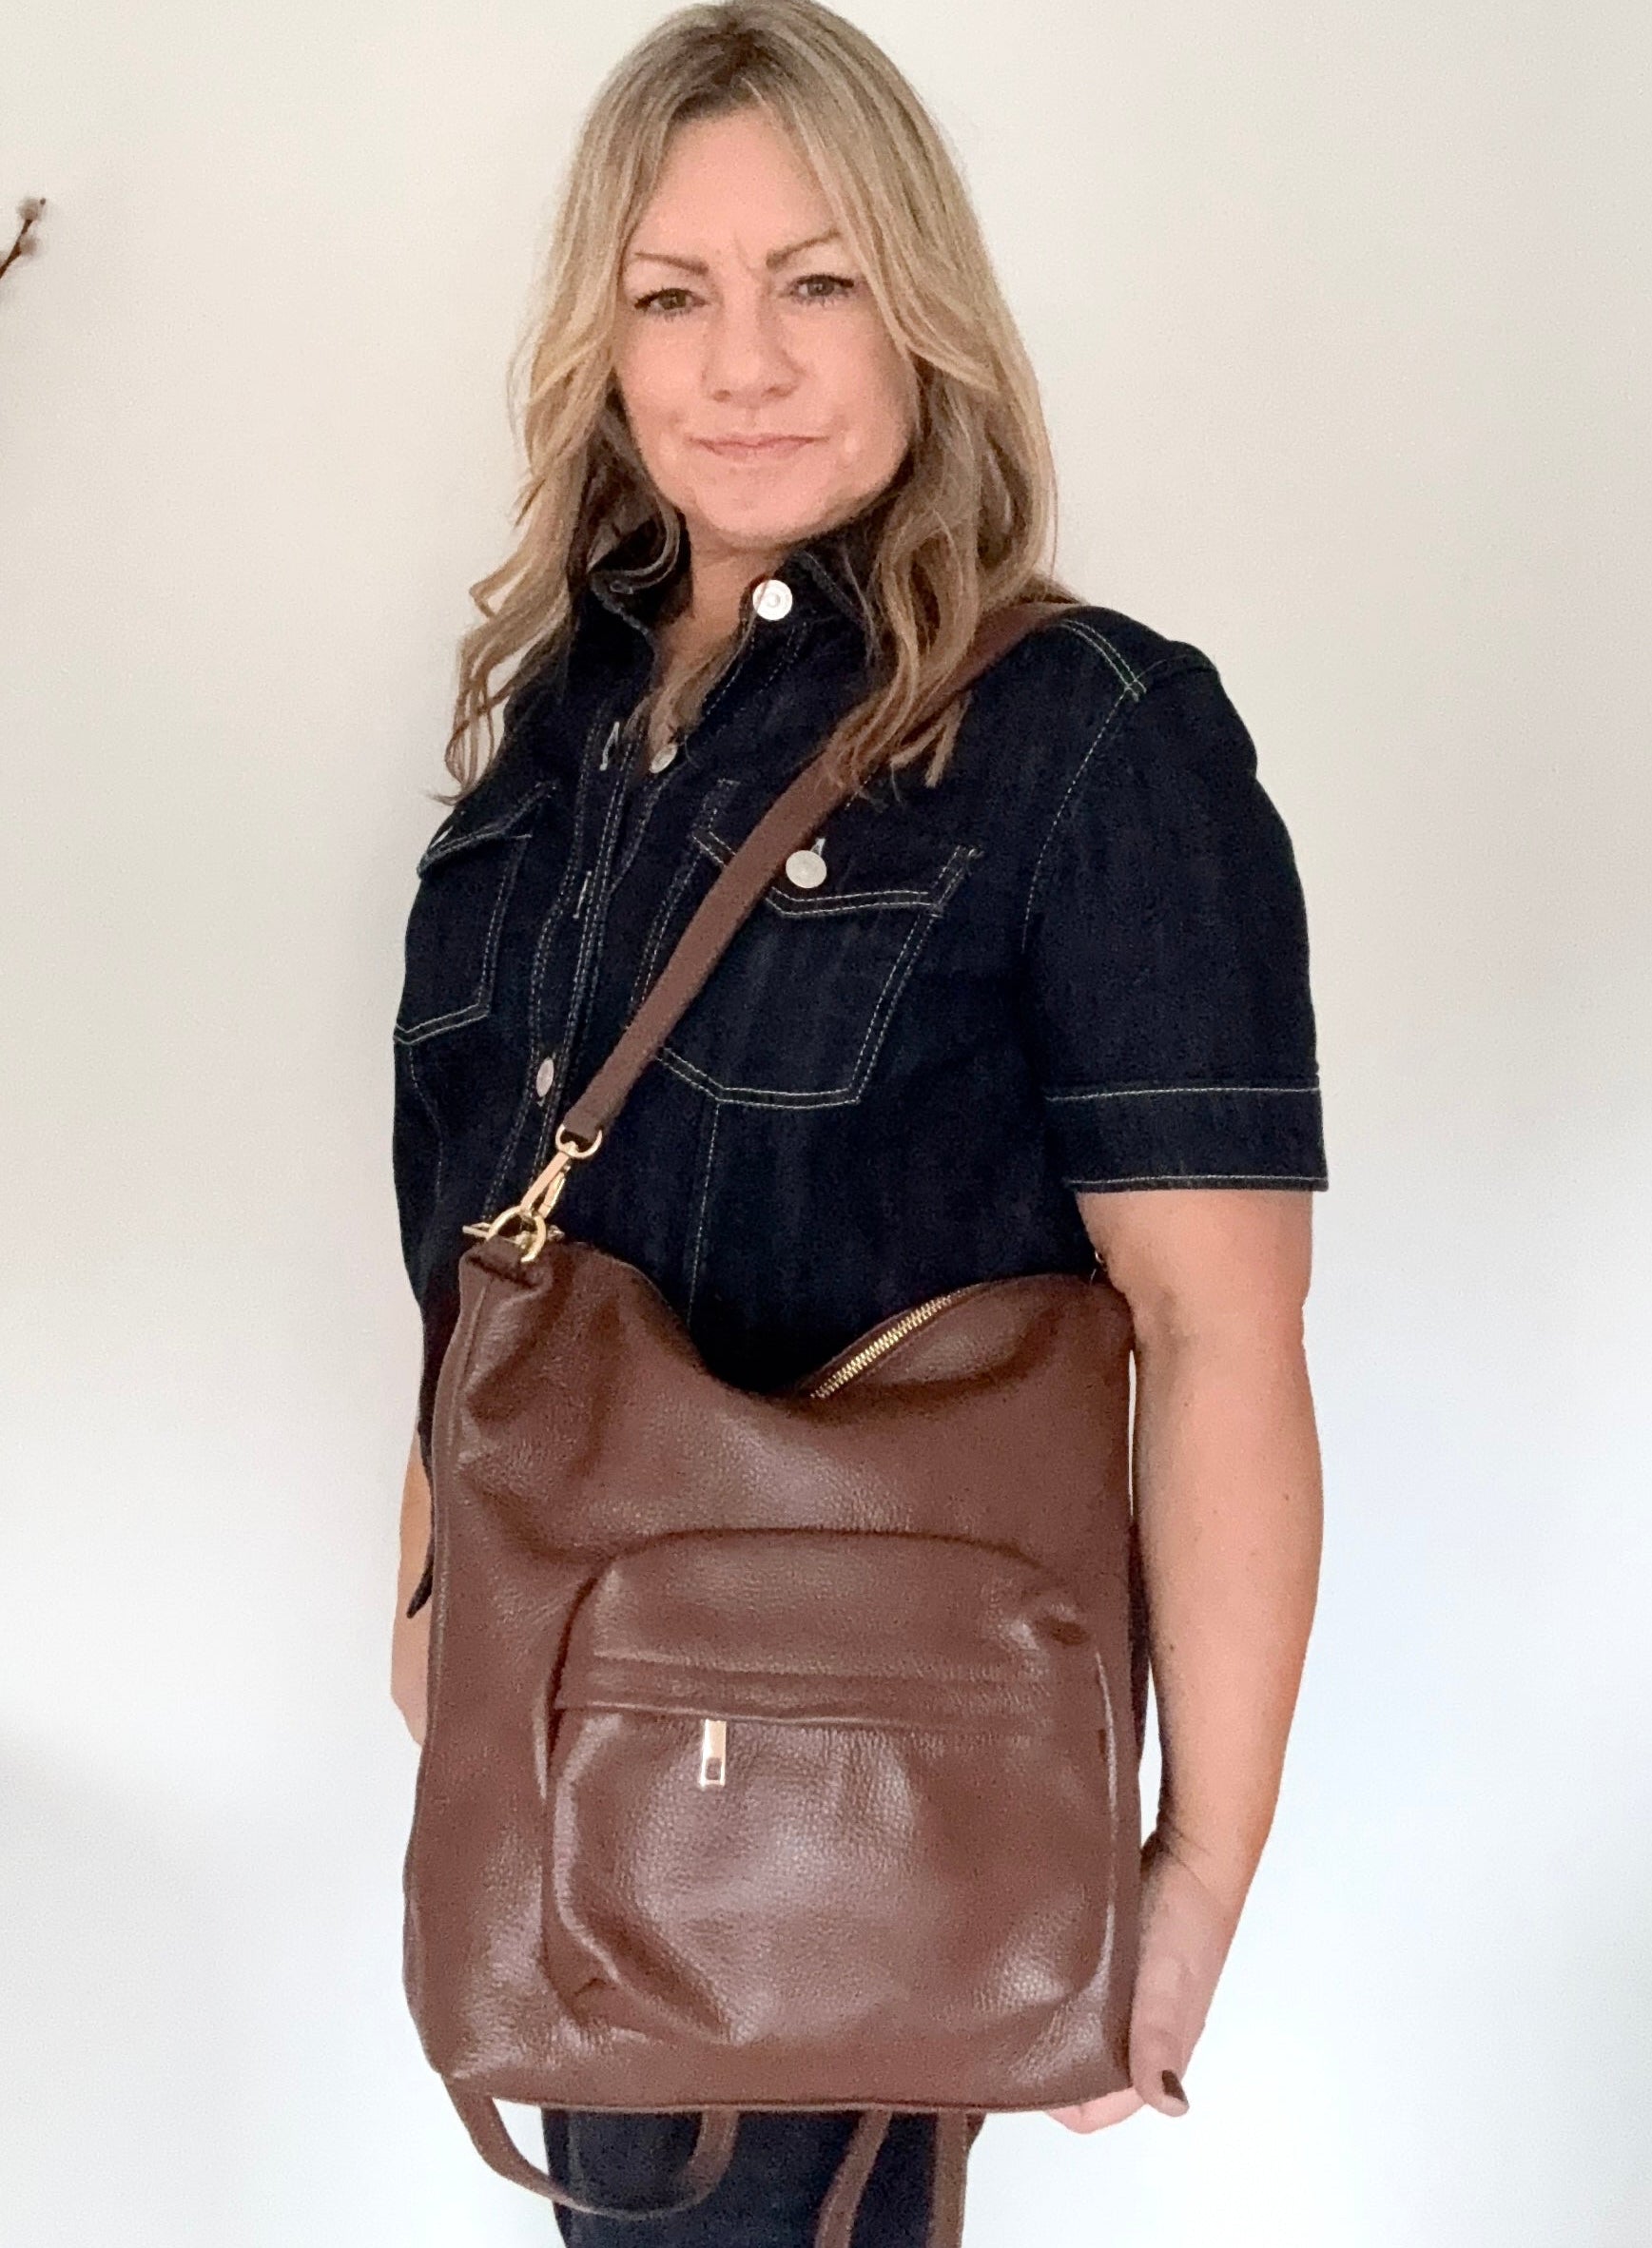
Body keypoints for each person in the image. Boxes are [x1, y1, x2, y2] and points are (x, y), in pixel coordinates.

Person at [389, 3, 1327, 2239]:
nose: (743, 363)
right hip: (554, 1779)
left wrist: (1191, 1876)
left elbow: (1216, 1338)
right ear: (599, 348)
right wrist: (426, 1615)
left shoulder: (1087, 742)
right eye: (671, 295)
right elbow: (485, 1257)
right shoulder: (554, 753)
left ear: (925, 307)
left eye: (815, 282)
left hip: (862, 1806)